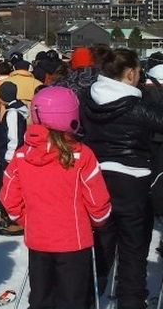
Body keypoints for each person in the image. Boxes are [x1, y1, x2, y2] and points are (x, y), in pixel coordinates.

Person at [0, 86, 111, 309]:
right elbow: (98, 201)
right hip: (74, 241)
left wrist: (26, 219)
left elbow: (9, 197)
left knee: (42, 297)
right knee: (73, 299)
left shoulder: (22, 155)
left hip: (39, 241)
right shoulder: (81, 154)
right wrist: (99, 222)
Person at [81, 48, 163, 309]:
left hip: (95, 180)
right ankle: (130, 302)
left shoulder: (87, 99)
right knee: (133, 253)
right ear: (130, 74)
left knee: (99, 249)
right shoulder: (137, 107)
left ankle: (88, 298)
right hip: (133, 183)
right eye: (138, 73)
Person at [0, 81, 28, 236]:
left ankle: (10, 217)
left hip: (10, 157)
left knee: (5, 185)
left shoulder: (12, 113)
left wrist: (8, 157)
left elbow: (14, 136)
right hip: (16, 155)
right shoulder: (21, 108)